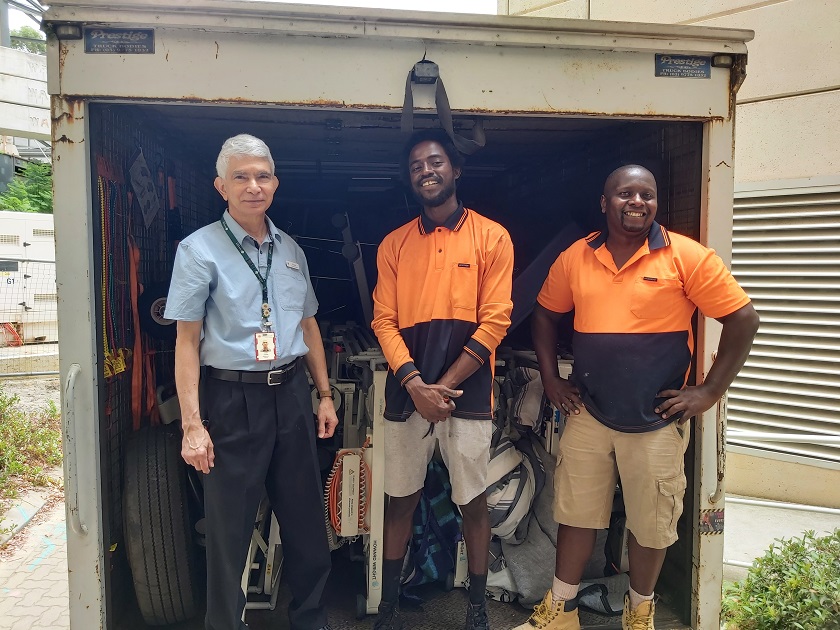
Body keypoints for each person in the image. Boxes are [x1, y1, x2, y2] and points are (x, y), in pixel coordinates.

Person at [518, 165, 759, 630]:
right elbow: (544, 315)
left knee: (652, 524)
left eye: (646, 194)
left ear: (655, 202)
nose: (636, 202)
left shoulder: (685, 257)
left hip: (655, 418)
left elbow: (743, 320)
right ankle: (561, 612)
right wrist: (551, 379)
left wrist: (710, 390)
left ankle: (640, 615)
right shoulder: (577, 257)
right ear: (604, 203)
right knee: (576, 513)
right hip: (588, 411)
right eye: (625, 193)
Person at [165, 134, 338, 630]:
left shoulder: (291, 251)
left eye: (262, 176)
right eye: (240, 176)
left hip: (289, 395)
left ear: (275, 184)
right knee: (229, 532)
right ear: (221, 186)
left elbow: (308, 327)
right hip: (230, 399)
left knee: (306, 522)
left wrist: (323, 396)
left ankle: (311, 619)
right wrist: (193, 426)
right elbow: (186, 343)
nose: (253, 186)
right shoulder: (198, 251)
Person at [370, 129, 514, 630]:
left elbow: (495, 321)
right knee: (400, 502)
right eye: (416, 166)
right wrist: (415, 385)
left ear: (455, 171)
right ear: (410, 180)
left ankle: (476, 610)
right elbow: (383, 321)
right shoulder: (394, 244)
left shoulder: (492, 237)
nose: (425, 171)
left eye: (434, 162)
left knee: (473, 503)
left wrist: (443, 389)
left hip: (466, 397)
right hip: (406, 396)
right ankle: (387, 609)